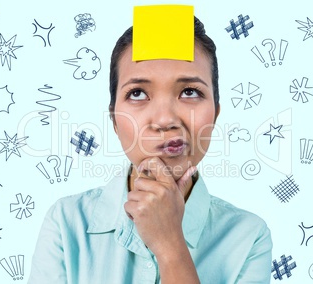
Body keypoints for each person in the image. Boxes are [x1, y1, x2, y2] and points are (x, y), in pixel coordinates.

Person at [28, 16, 272, 284]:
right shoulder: (66, 223)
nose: (165, 120)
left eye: (190, 92)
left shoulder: (248, 237)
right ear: (114, 120)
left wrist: (170, 247)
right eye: (137, 93)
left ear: (214, 115)